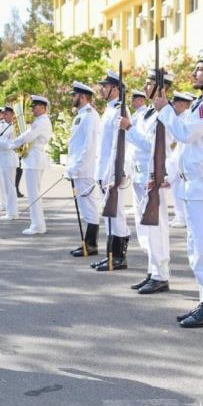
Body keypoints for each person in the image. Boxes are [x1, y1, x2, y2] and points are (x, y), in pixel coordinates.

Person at [154, 49, 203, 328]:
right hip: (193, 183)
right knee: (195, 245)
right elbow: (184, 129)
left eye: (200, 69)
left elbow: (185, 133)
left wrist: (164, 109)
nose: (194, 73)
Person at [120, 70, 175, 294]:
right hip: (140, 175)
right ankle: (153, 271)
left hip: (153, 177)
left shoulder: (165, 113)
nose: (144, 87)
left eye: (149, 83)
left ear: (161, 88)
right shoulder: (149, 113)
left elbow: (152, 147)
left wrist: (129, 129)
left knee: (156, 229)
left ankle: (161, 275)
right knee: (145, 229)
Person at [91, 70, 132, 271]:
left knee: (116, 214)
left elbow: (121, 145)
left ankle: (118, 256)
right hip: (103, 169)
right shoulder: (109, 109)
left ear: (115, 89)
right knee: (108, 215)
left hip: (112, 171)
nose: (101, 89)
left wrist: (117, 172)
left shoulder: (119, 110)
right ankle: (110, 255)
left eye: (105, 86)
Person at [5, 95, 52, 235]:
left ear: (43, 108)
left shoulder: (41, 121)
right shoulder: (40, 121)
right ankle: (37, 223)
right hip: (33, 159)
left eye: (35, 107)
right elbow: (27, 134)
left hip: (35, 160)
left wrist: (11, 144)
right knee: (33, 194)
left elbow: (28, 136)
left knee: (34, 195)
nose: (32, 109)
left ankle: (38, 226)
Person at [65, 82, 102, 257]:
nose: (72, 98)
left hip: (85, 170)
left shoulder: (90, 116)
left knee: (89, 207)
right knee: (84, 207)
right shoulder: (81, 115)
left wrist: (77, 168)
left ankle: (91, 244)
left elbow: (89, 146)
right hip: (78, 169)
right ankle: (87, 243)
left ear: (83, 97)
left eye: (75, 95)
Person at [166, 92, 195, 228]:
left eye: (175, 103)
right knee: (177, 190)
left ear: (183, 104)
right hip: (177, 161)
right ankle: (180, 216)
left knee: (180, 190)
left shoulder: (186, 118)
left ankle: (182, 216)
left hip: (182, 162)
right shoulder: (182, 117)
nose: (173, 106)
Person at [0, 106, 20, 220]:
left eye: (7, 113)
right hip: (1, 158)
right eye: (4, 113)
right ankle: (9, 211)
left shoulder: (15, 128)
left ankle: (12, 213)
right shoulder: (1, 125)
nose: (4, 115)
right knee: (5, 186)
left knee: (10, 187)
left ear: (13, 114)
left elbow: (10, 144)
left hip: (9, 159)